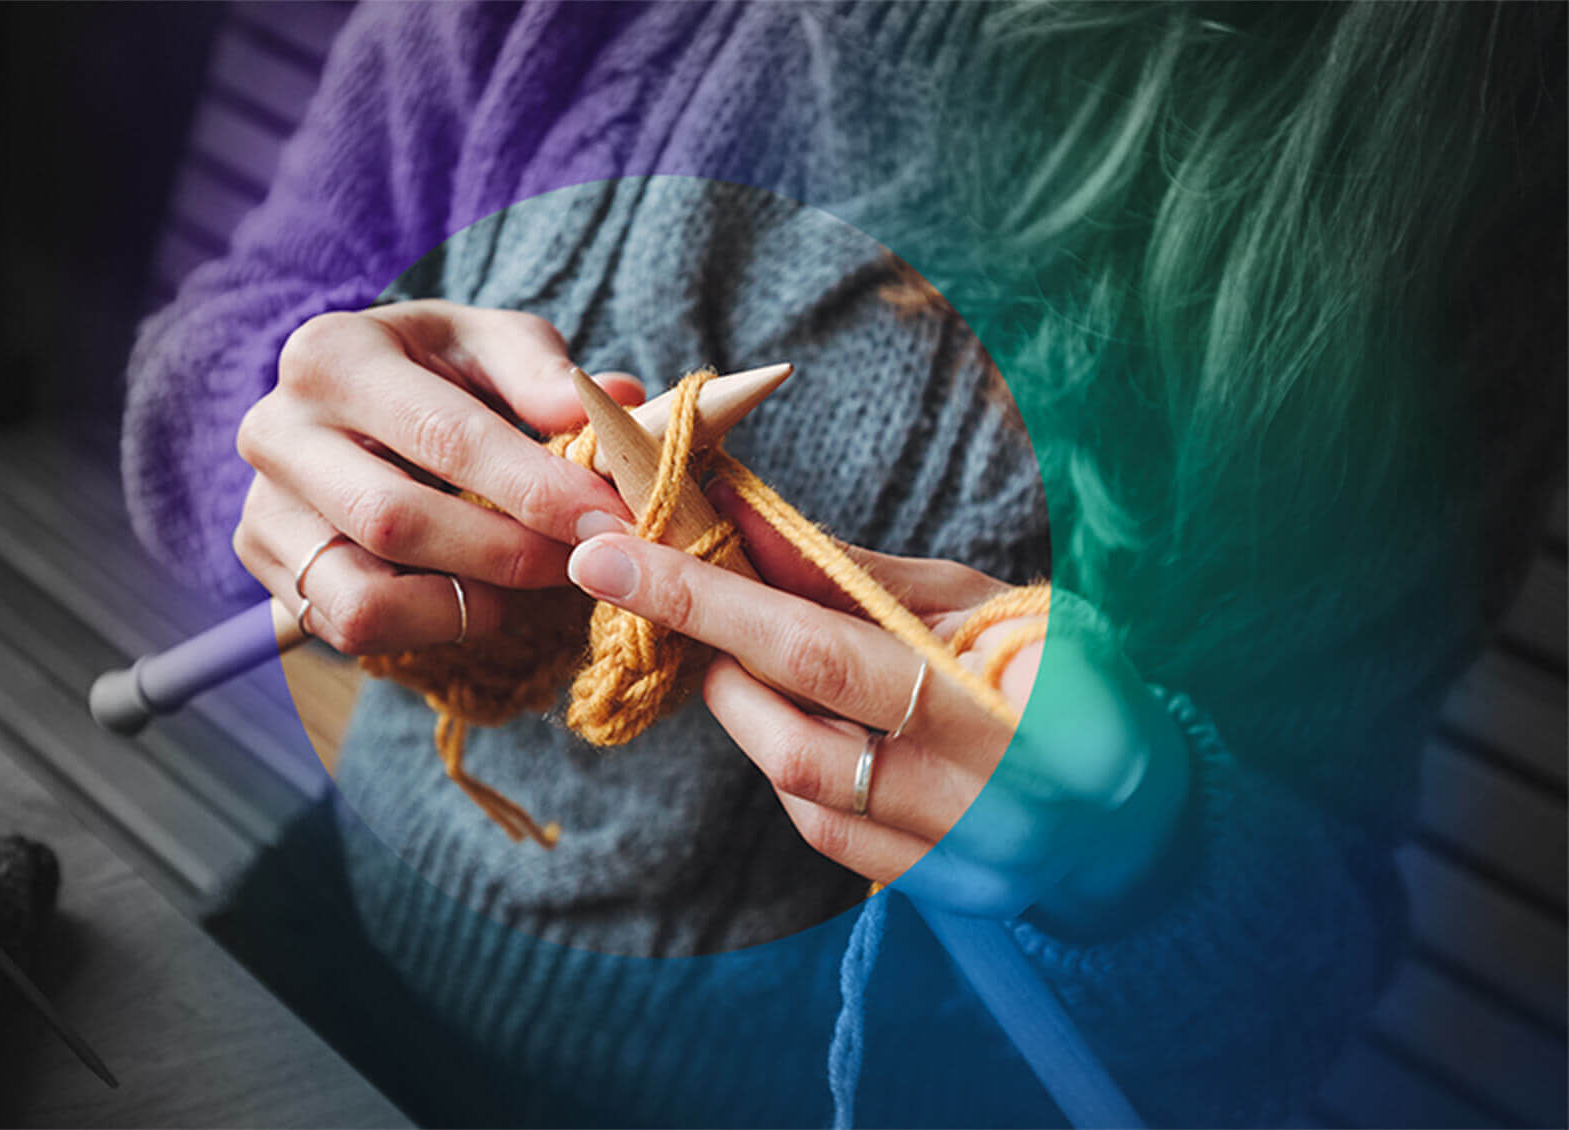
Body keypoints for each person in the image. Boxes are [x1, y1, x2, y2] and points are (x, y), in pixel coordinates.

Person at [122, 2, 1565, 1126]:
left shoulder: (1433, 135)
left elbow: (1292, 969)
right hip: (353, 933)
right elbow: (233, 337)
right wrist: (282, 432)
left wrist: (1138, 849)